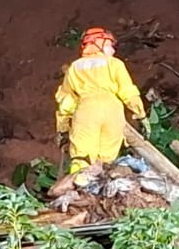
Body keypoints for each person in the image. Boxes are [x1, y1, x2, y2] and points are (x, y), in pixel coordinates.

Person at [54, 27, 147, 174]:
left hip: (86, 110)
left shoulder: (75, 67)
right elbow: (128, 92)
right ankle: (101, 191)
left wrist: (63, 128)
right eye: (110, 45)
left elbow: (67, 101)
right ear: (99, 43)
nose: (113, 50)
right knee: (106, 162)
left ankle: (80, 192)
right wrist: (141, 115)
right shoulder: (115, 64)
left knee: (81, 158)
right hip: (113, 111)